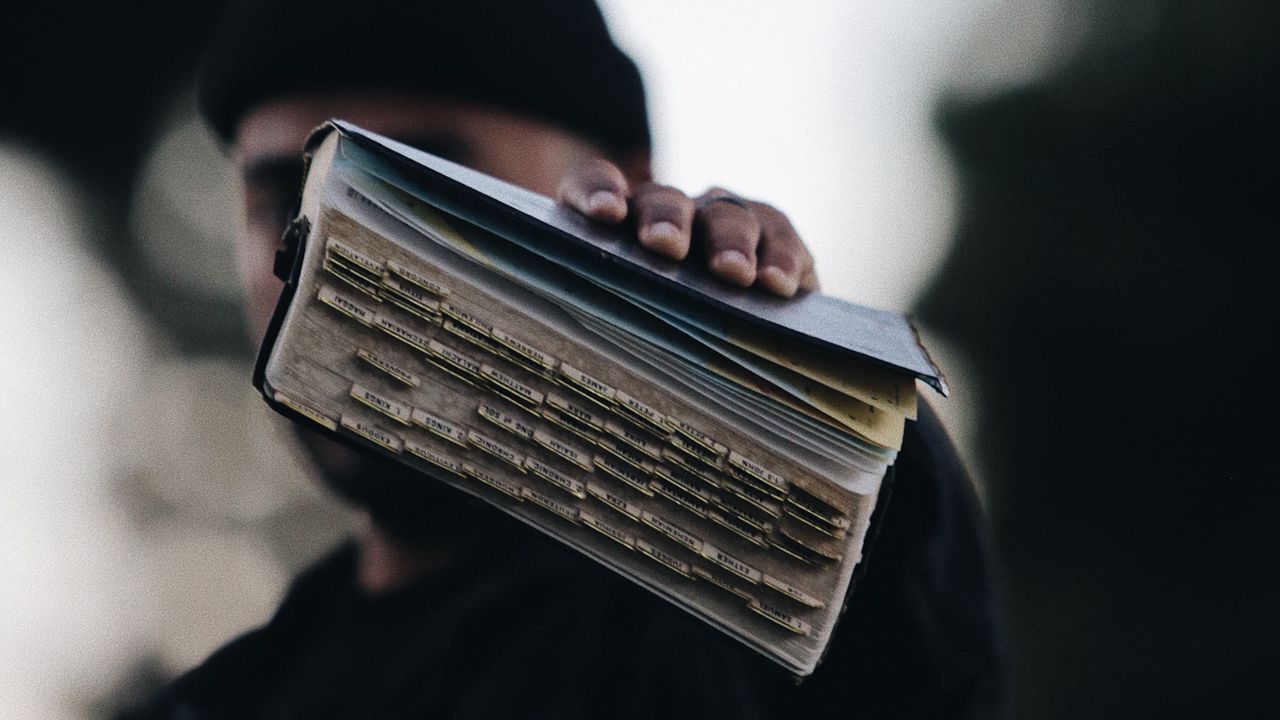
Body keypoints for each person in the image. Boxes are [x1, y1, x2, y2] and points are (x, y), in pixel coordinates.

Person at [121, 1, 1004, 717]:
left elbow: (906, 632)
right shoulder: (219, 702)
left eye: (414, 187)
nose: (325, 256)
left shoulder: (727, 643)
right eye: (284, 199)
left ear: (616, 191)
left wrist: (807, 398)